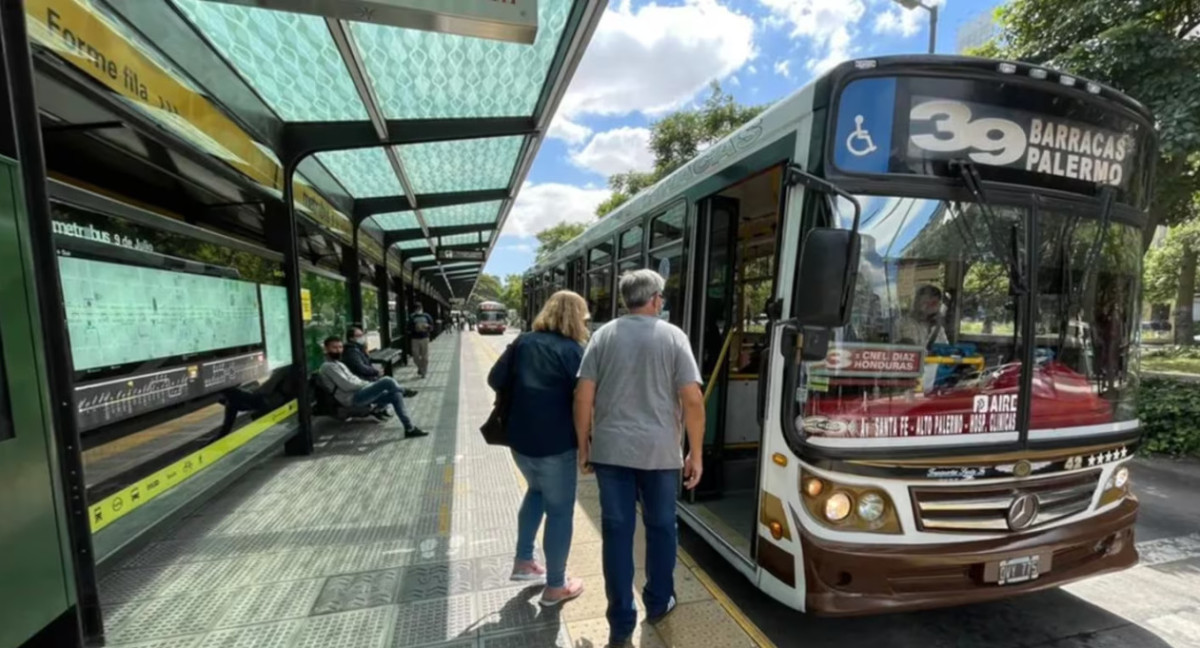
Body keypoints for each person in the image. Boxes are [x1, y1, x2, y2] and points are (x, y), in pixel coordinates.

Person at [574, 269, 705, 645]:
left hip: (611, 453)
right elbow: (692, 399)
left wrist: (584, 446)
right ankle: (658, 600)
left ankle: (620, 623)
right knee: (662, 527)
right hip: (661, 454)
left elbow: (583, 396)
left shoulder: (603, 336)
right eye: (661, 297)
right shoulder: (673, 336)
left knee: (616, 534)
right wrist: (695, 453)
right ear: (655, 299)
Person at [488, 290, 590, 607]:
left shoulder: (522, 342)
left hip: (520, 440)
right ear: (576, 317)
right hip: (556, 444)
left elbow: (495, 378)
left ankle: (523, 561)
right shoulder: (574, 351)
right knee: (560, 512)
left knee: (535, 492)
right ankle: (556, 586)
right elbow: (584, 399)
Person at [319, 337, 427, 437]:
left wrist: (370, 385)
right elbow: (347, 385)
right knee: (387, 381)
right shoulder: (328, 367)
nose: (338, 350)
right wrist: (370, 385)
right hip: (351, 398)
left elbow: (354, 379)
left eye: (340, 347)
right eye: (334, 348)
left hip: (359, 392)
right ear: (326, 349)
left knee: (395, 395)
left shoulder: (339, 364)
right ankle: (403, 391)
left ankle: (409, 428)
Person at [340, 326, 419, 397]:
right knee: (389, 383)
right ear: (351, 338)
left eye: (362, 335)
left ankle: (401, 392)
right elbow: (361, 368)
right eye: (359, 336)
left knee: (394, 392)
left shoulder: (359, 348)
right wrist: (376, 371)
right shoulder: (352, 352)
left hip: (368, 378)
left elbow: (366, 362)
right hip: (363, 381)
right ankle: (403, 391)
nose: (362, 337)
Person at [896, 284, 948, 348]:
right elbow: (910, 349)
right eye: (925, 302)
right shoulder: (904, 323)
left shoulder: (938, 329)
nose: (930, 306)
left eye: (934, 303)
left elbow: (945, 349)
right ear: (916, 302)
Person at [409, 303, 434, 378]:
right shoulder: (412, 317)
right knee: (415, 356)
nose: (418, 310)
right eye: (417, 308)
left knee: (425, 356)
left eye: (419, 308)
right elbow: (408, 327)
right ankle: (421, 367)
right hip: (415, 338)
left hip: (424, 338)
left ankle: (424, 372)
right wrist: (415, 328)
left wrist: (427, 327)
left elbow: (432, 327)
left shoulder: (427, 316)